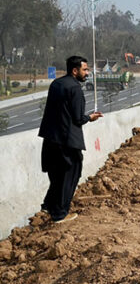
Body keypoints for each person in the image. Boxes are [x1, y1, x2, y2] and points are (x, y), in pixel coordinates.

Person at [38, 56, 103, 223]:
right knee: (70, 174)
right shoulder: (75, 89)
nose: (87, 73)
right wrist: (90, 117)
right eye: (85, 70)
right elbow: (78, 118)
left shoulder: (56, 84)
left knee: (56, 175)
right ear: (75, 71)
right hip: (67, 141)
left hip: (50, 138)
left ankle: (48, 205)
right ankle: (60, 214)